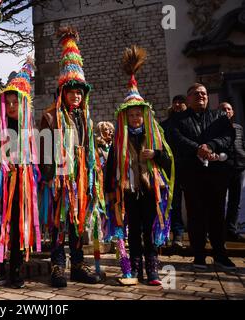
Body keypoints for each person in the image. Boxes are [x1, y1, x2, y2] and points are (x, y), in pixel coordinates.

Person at [40, 27, 104, 288]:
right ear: (63, 93)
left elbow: (90, 151)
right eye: (71, 91)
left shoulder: (86, 118)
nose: (76, 95)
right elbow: (44, 150)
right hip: (59, 179)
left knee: (78, 223)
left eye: (80, 92)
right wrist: (49, 177)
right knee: (59, 224)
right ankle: (57, 267)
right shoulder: (50, 116)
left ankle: (78, 265)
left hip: (81, 180)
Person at [104, 45, 174, 286]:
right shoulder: (119, 140)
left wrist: (154, 154)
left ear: (144, 115)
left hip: (150, 189)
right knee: (132, 230)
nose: (135, 118)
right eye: (131, 115)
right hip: (128, 191)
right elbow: (111, 166)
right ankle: (133, 268)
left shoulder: (154, 136)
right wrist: (110, 191)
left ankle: (152, 268)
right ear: (125, 117)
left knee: (149, 228)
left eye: (138, 115)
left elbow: (168, 161)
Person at [0, 58, 41, 289]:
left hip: (23, 186)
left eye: (16, 102)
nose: (13, 106)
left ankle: (16, 270)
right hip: (0, 185)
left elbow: (37, 159)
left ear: (24, 104)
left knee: (18, 227)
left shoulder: (31, 131)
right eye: (9, 102)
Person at [169, 83, 236, 270]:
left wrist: (211, 146)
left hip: (216, 175)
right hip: (192, 175)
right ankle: (199, 255)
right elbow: (176, 138)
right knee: (195, 215)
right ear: (188, 98)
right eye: (196, 94)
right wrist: (197, 149)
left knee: (217, 215)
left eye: (204, 93)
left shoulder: (219, 117)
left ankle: (220, 255)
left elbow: (228, 136)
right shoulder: (178, 119)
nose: (201, 96)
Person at [160, 95, 187, 249]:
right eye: (175, 102)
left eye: (181, 102)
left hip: (190, 168)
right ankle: (177, 234)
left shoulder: (190, 122)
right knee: (174, 203)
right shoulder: (165, 125)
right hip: (171, 170)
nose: (177, 104)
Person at [219, 102, 245, 242]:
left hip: (239, 167)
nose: (226, 111)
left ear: (233, 112)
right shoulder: (215, 128)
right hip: (223, 168)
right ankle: (218, 230)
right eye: (223, 109)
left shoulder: (238, 128)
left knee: (235, 202)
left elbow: (242, 144)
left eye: (229, 109)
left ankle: (231, 230)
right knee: (220, 201)